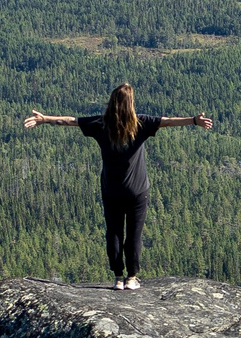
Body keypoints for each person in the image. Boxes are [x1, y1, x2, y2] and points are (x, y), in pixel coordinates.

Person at [23, 83, 212, 290]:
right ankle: (132, 278)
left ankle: (118, 278)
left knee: (113, 233)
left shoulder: (101, 124)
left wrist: (45, 120)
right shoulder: (141, 123)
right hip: (137, 190)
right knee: (134, 234)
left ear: (112, 102)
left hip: (111, 191)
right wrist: (194, 121)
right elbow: (166, 122)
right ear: (130, 104)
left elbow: (70, 121)